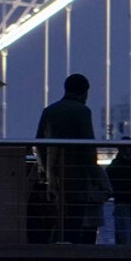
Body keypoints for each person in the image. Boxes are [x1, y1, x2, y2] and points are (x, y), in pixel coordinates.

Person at [35, 74, 100, 243]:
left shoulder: (49, 111)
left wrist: (45, 169)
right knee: (74, 224)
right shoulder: (83, 111)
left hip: (54, 178)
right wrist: (95, 176)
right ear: (85, 92)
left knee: (56, 222)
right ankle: (72, 258)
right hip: (76, 179)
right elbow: (88, 148)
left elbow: (39, 144)